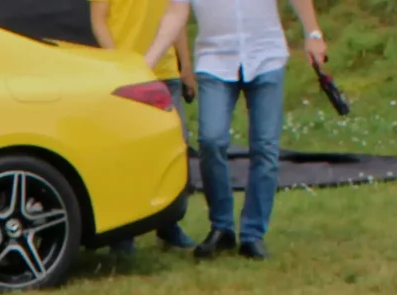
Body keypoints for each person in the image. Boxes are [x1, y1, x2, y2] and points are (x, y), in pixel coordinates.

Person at [144, 0, 330, 259]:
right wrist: (149, 60)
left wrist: (313, 33)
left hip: (266, 56)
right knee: (211, 140)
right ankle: (222, 227)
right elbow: (176, 11)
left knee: (265, 147)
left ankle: (253, 234)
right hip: (215, 60)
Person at [92, 0, 195, 250]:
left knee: (174, 152)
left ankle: (169, 222)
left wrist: (185, 64)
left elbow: (177, 13)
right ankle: (122, 233)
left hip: (165, 72)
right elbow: (99, 19)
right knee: (125, 155)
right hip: (125, 75)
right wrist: (119, 61)